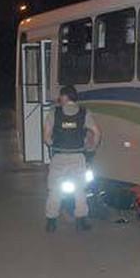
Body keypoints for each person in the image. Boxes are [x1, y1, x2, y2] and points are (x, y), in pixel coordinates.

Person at [43, 85, 101, 232]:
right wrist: (92, 148)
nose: (59, 100)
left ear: (64, 97)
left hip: (59, 157)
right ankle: (81, 222)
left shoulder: (54, 112)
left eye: (60, 97)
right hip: (78, 156)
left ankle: (51, 222)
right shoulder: (84, 112)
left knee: (54, 189)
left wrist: (54, 145)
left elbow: (46, 137)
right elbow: (97, 132)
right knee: (80, 190)